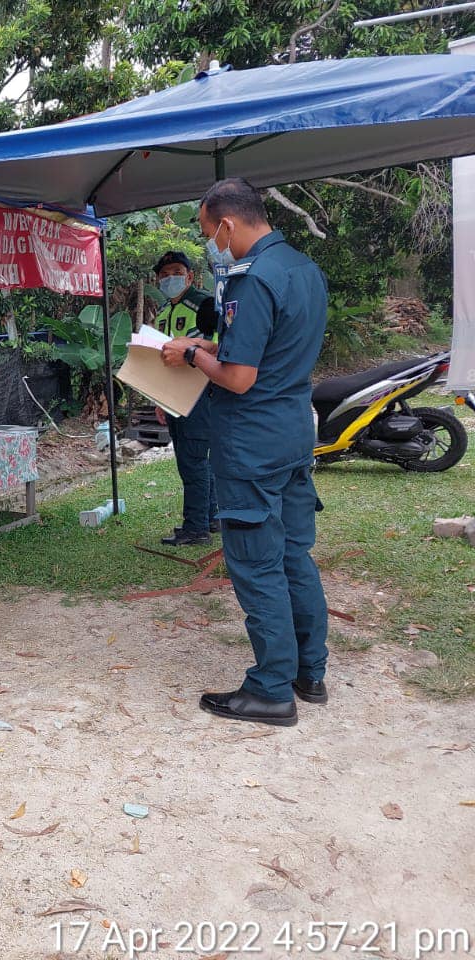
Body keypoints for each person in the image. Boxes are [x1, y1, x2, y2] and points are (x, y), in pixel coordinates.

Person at [160, 178, 329, 727]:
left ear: (227, 225)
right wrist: (210, 345)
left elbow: (237, 378)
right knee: (292, 555)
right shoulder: (305, 270)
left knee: (256, 565)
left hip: (252, 443)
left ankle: (271, 688)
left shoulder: (249, 281)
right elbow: (269, 348)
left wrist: (191, 357)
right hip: (293, 433)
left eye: (209, 233)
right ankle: (310, 670)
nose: (211, 245)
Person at [150, 251, 218, 546]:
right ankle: (211, 517)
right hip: (173, 394)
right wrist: (159, 399)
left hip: (200, 393)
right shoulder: (164, 312)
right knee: (193, 460)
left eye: (176, 272)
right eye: (163, 275)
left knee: (193, 462)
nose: (169, 279)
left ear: (190, 276)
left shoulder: (204, 304)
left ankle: (196, 528)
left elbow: (219, 344)